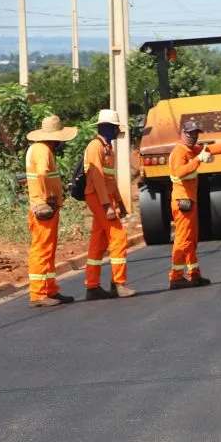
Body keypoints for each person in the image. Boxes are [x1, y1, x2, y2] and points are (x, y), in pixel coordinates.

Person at [168, 121, 221, 289]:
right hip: (182, 202)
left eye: (196, 133)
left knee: (191, 239)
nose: (193, 137)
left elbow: (211, 149)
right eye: (190, 133)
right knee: (183, 240)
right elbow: (180, 172)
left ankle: (194, 275)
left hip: (189, 201)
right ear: (182, 133)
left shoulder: (191, 150)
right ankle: (175, 277)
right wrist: (198, 160)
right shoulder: (179, 152)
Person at [25, 115, 78, 307]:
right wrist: (49, 197)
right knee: (42, 249)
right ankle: (38, 294)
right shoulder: (42, 150)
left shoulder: (40, 148)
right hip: (44, 207)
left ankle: (50, 290)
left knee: (48, 249)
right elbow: (42, 173)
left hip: (45, 207)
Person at [83, 109, 136, 300]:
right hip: (97, 198)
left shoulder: (107, 148)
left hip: (104, 198)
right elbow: (97, 178)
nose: (116, 132)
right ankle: (118, 284)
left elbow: (109, 180)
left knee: (99, 241)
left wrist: (119, 202)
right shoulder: (95, 147)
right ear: (105, 127)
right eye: (114, 128)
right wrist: (107, 206)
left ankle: (92, 286)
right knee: (118, 236)